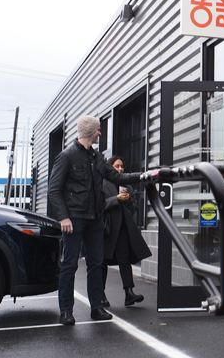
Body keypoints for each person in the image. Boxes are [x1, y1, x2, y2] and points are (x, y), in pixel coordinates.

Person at [49, 115, 141, 326]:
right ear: (91, 131)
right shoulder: (67, 156)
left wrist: (143, 176)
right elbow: (54, 190)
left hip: (96, 218)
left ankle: (97, 308)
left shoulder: (97, 157)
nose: (100, 133)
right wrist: (63, 216)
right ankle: (66, 311)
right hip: (74, 219)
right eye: (99, 130)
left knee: (96, 264)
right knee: (69, 264)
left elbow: (117, 178)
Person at [101, 155, 152, 307]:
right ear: (110, 167)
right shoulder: (102, 184)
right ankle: (100, 294)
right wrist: (116, 198)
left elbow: (134, 208)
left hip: (123, 228)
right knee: (102, 262)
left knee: (125, 260)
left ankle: (129, 293)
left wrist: (128, 200)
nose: (120, 169)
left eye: (122, 166)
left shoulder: (127, 186)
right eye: (117, 166)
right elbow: (99, 205)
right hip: (107, 229)